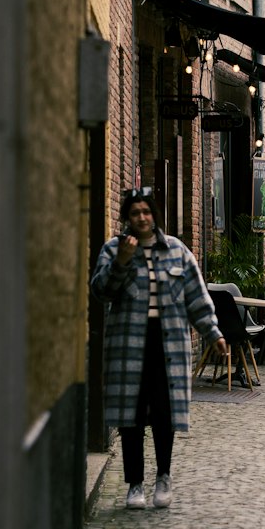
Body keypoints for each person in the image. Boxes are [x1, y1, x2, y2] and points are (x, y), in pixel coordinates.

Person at [91, 187, 227, 511]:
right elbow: (101, 291)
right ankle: (135, 484)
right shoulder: (114, 250)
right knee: (131, 415)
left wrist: (213, 333)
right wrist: (122, 262)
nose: (141, 217)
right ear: (127, 217)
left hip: (169, 344)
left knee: (165, 413)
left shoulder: (177, 251)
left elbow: (197, 297)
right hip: (128, 344)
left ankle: (163, 477)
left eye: (146, 212)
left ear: (155, 215)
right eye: (135, 213)